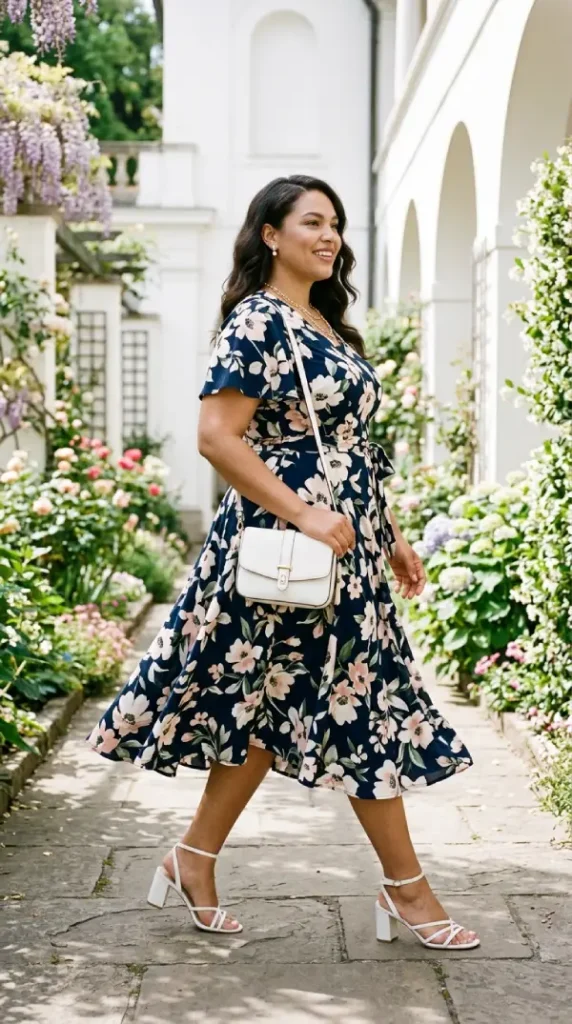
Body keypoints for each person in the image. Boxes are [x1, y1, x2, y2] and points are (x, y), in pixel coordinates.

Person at [88, 174, 478, 950]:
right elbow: (215, 435)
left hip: (345, 544)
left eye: (334, 224)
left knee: (276, 707)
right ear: (270, 234)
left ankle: (192, 857)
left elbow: (349, 450)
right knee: (353, 706)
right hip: (284, 543)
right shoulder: (258, 324)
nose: (329, 236)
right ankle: (408, 891)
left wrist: (388, 530)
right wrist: (304, 512)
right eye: (311, 222)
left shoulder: (328, 327)